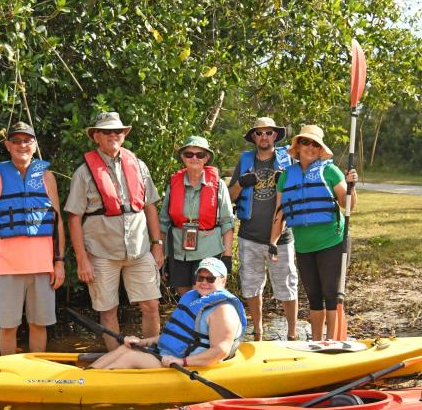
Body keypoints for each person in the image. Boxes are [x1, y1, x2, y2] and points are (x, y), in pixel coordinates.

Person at [0, 121, 66, 355]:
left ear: (34, 144)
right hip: (7, 267)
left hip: (42, 266)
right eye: (16, 141)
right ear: (8, 145)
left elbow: (57, 221)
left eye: (27, 140)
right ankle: (10, 374)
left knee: (39, 325)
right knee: (8, 327)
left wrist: (59, 262)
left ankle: (37, 374)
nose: (22, 145)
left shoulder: (47, 177)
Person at [65, 112, 163, 351]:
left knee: (151, 305)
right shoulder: (83, 172)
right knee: (108, 311)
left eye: (117, 131)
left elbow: (150, 206)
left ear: (123, 135)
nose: (113, 136)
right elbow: (73, 217)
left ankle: (151, 354)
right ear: (96, 136)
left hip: (139, 251)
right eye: (107, 132)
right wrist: (82, 260)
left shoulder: (139, 166)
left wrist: (157, 244)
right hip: (101, 253)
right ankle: (118, 358)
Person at [269, 124, 358, 341]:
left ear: (320, 150)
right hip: (303, 245)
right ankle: (317, 341)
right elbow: (279, 212)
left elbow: (349, 205)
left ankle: (333, 341)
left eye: (315, 144)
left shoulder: (330, 171)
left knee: (331, 295)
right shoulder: (285, 176)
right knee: (314, 297)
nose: (310, 147)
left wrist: (351, 186)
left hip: (332, 242)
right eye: (305, 142)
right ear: (297, 147)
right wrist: (273, 241)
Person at [90, 257, 247, 369]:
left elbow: (220, 352)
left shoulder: (223, 311)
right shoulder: (194, 298)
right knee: (126, 349)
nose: (204, 282)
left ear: (223, 281)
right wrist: (144, 342)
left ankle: (88, 385)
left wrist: (183, 362)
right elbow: (175, 336)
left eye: (210, 278)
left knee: (130, 357)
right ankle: (87, 374)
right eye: (200, 277)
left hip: (185, 363)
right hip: (167, 355)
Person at [228, 117, 299, 341]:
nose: (264, 137)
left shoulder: (288, 160)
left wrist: (285, 180)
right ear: (254, 138)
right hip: (249, 236)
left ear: (275, 136)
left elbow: (299, 190)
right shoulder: (245, 160)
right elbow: (230, 196)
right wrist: (242, 181)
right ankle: (258, 331)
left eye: (268, 133)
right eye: (259, 133)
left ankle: (292, 334)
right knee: (251, 286)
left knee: (287, 285)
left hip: (281, 238)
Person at [159, 136, 234, 296]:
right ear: (182, 157)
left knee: (204, 294)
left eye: (199, 155)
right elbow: (164, 222)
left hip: (208, 250)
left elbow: (227, 222)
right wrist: (160, 252)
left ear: (206, 158)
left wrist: (227, 256)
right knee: (184, 296)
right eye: (189, 154)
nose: (194, 158)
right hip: (179, 250)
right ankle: (189, 322)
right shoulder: (173, 185)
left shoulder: (218, 185)